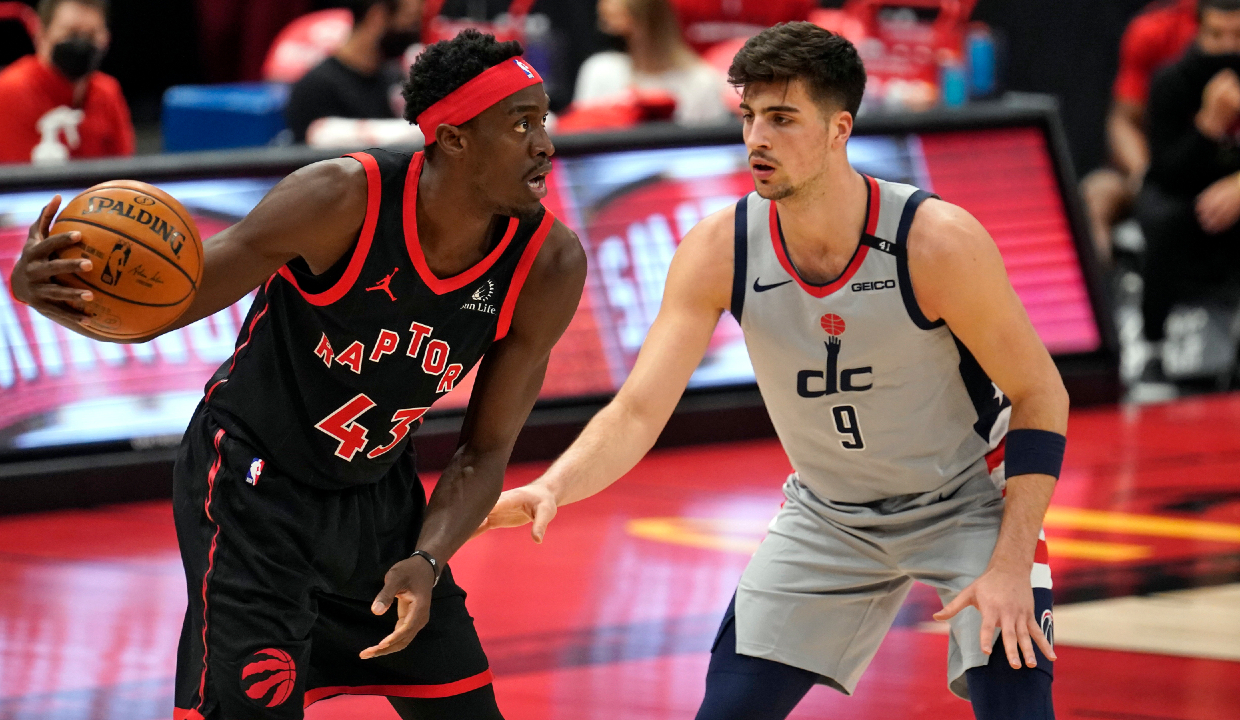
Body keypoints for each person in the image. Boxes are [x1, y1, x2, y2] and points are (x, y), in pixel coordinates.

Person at [484, 21, 1068, 720]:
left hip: (968, 502)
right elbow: (638, 410)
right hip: (829, 514)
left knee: (1016, 703)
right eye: (749, 116)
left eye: (782, 118)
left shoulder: (935, 242)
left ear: (839, 129)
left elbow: (1041, 394)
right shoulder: (720, 248)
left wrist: (1010, 565)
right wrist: (554, 485)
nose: (756, 138)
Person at [11, 29, 585, 720]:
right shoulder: (340, 199)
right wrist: (44, 291)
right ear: (454, 138)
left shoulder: (548, 265)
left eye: (543, 121)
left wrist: (430, 557)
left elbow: (483, 451)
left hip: (380, 500)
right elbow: (170, 302)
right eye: (520, 125)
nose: (544, 144)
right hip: (253, 488)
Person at [1139, 0, 1240, 365]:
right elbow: (1167, 170)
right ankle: (1152, 347)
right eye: (1217, 35)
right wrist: (1209, 124)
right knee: (1163, 217)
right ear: (1198, 31)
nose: (1228, 46)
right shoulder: (1172, 81)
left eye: (1238, 36)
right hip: (1182, 190)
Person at [1081, 0, 1197, 264]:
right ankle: (1100, 288)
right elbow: (1123, 121)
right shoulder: (1154, 31)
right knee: (1095, 196)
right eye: (1214, 34)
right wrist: (1146, 178)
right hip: (1162, 174)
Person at [0, 0, 133, 166]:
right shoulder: (10, 92)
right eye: (71, 33)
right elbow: (23, 181)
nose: (81, 44)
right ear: (42, 33)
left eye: (91, 35)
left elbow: (124, 172)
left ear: (106, 38)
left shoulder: (108, 91)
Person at [285, 0, 425, 144]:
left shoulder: (396, 78)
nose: (415, 32)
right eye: (411, 20)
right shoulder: (315, 90)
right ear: (376, 17)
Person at [572, 0, 729, 126]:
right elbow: (580, 136)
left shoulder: (702, 81)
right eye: (606, 23)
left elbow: (715, 148)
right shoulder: (601, 70)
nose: (609, 33)